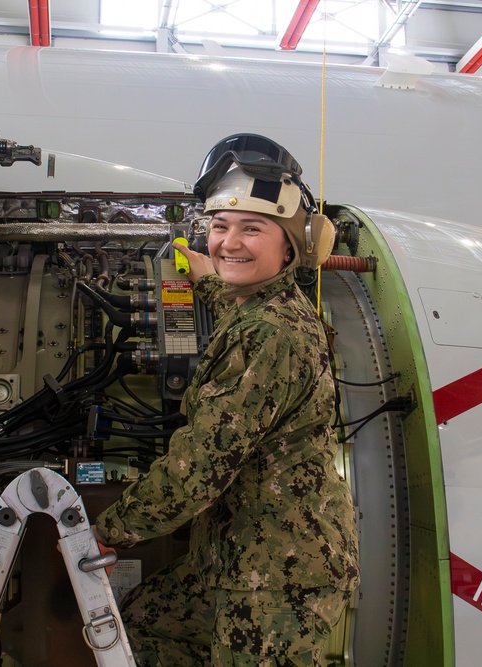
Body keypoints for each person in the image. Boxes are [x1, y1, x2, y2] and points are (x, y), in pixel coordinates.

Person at [95, 134, 359, 666]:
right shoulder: (267, 303)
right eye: (220, 227)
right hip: (238, 549)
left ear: (292, 245)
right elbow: (231, 282)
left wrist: (103, 534)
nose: (229, 242)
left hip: (282, 573)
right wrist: (202, 269)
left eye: (252, 229)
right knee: (144, 625)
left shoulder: (268, 335)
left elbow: (198, 468)